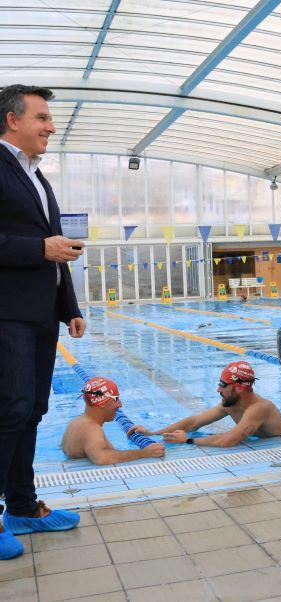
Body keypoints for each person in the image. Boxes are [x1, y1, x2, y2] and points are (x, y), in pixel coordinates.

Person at [0, 85, 87, 561]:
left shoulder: (36, 177)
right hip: (6, 313)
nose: (51, 127)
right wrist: (39, 248)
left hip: (39, 314)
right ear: (13, 120)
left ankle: (22, 507)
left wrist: (69, 307)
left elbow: (56, 250)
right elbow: (43, 247)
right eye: (42, 117)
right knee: (10, 410)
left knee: (32, 410)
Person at [129, 361, 281, 446]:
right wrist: (152, 434)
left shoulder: (260, 408)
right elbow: (193, 422)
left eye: (223, 384)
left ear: (239, 388)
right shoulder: (231, 404)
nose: (218, 389)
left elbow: (229, 441)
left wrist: (188, 440)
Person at [62, 377, 166, 464]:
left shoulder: (76, 422)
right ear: (102, 402)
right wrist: (144, 453)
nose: (120, 404)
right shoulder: (91, 429)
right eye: (116, 399)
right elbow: (101, 458)